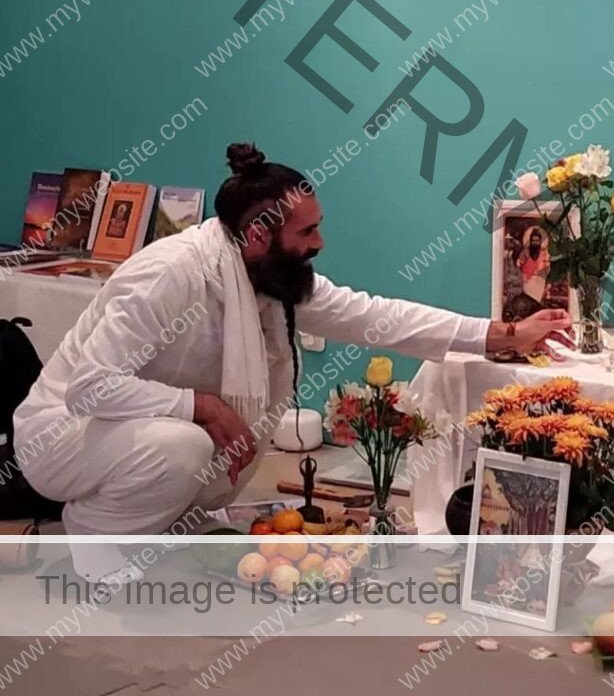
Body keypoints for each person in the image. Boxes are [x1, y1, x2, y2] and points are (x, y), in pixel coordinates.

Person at [13, 143, 573, 583]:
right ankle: (93, 539)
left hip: (125, 433)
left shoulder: (270, 277)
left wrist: (503, 334)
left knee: (210, 443)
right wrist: (202, 406)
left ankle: (155, 530)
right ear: (259, 234)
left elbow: (377, 317)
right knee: (186, 445)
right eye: (307, 231)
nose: (320, 242)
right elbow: (89, 387)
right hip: (61, 433)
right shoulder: (169, 274)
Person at [516, 227, 550, 303]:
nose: (535, 243)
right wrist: (523, 259)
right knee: (528, 300)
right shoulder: (525, 251)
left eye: (537, 241)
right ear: (530, 241)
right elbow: (519, 264)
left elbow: (547, 267)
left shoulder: (544, 253)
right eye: (533, 241)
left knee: (537, 301)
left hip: (539, 280)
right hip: (527, 280)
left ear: (540, 241)